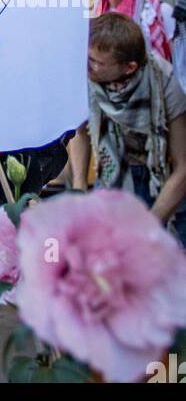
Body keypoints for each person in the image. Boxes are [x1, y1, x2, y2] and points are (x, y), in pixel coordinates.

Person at [71, 13, 186, 246]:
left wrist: (151, 224)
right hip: (113, 173)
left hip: (159, 180)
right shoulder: (87, 79)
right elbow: (79, 132)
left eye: (96, 61)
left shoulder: (165, 83)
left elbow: (184, 168)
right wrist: (80, 186)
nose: (86, 65)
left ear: (128, 68)